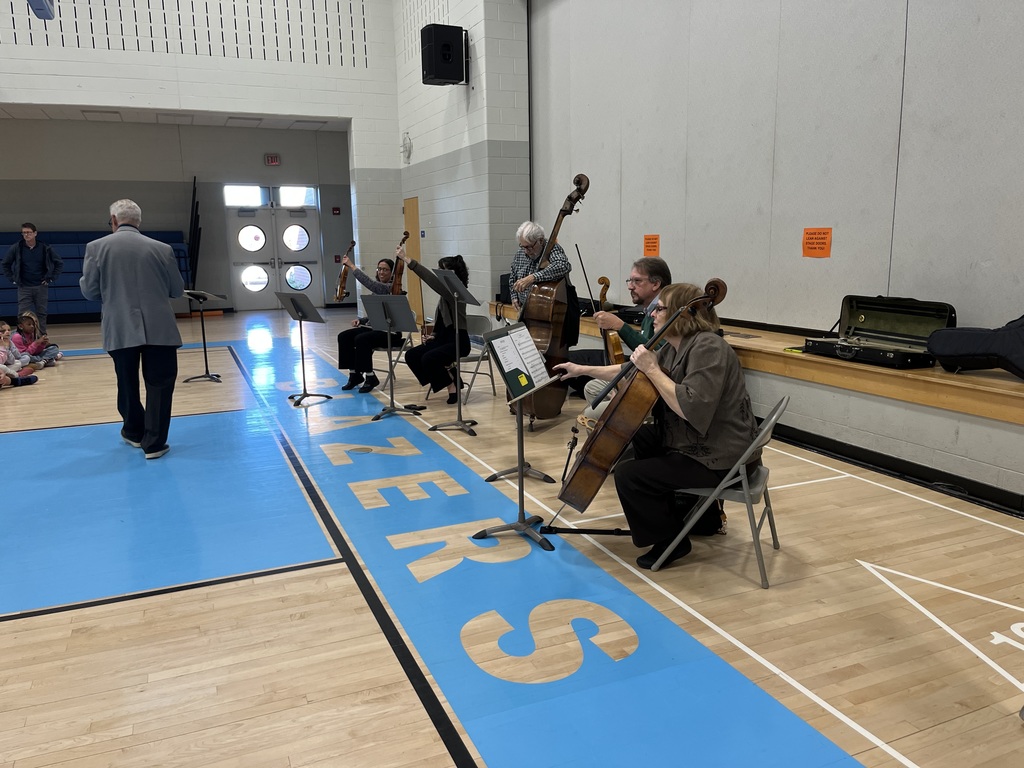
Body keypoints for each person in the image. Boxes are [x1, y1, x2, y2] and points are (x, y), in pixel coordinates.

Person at [554, 282, 760, 570]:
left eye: (659, 309)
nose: (651, 314)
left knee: (630, 475)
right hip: (700, 443)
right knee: (637, 439)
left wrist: (651, 368)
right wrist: (582, 370)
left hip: (723, 458)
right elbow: (631, 368)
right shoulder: (677, 346)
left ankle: (671, 540)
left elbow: (690, 409)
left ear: (683, 314)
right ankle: (695, 514)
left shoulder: (709, 347)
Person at [80, 199, 185, 460]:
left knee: (126, 382)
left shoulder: (96, 248)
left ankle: (133, 431)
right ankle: (155, 443)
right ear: (139, 221)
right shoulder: (162, 249)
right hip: (160, 328)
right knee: (160, 384)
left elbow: (91, 292)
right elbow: (176, 290)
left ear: (114, 220)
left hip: (120, 326)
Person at [578, 257, 672, 423]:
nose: (630, 286)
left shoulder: (666, 312)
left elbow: (659, 352)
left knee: (590, 414)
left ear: (656, 284)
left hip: (654, 384)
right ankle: (621, 430)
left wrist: (621, 326)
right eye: (630, 280)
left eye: (636, 281)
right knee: (592, 388)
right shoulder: (648, 311)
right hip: (640, 376)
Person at [394, 247, 470, 404]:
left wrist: (408, 260)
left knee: (429, 358)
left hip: (458, 341)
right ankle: (450, 376)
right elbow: (442, 322)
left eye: (444, 271)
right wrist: (434, 335)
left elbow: (432, 281)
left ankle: (450, 383)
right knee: (412, 355)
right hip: (443, 339)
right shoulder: (444, 297)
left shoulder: (458, 293)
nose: (440, 275)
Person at [336, 254, 405, 393]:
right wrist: (361, 321)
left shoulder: (390, 288)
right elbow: (376, 314)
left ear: (392, 273)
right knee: (344, 336)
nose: (381, 272)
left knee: (362, 339)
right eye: (379, 269)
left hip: (390, 332)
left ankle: (370, 376)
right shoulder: (378, 290)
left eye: (385, 269)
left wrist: (351, 265)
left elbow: (369, 283)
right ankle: (354, 374)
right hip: (375, 328)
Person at [509, 220, 580, 347]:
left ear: (541, 241)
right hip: (528, 313)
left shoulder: (552, 248)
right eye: (522, 246)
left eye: (529, 246)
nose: (526, 251)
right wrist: (514, 296)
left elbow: (562, 266)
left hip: (552, 314)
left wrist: (533, 277)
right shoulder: (520, 254)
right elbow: (513, 276)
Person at [1, 223, 63, 333]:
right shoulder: (17, 248)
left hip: (41, 286)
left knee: (41, 313)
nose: (26, 235)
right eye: (24, 232)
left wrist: (51, 278)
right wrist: (12, 278)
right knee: (22, 314)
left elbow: (59, 263)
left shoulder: (45, 248)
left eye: (29, 232)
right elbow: (5, 263)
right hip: (24, 286)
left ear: (35, 233)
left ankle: (42, 336)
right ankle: (22, 337)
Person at [0, 321, 40, 386]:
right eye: (3, 331)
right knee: (3, 367)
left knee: (19, 361)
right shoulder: (16, 337)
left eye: (9, 330)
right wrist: (4, 347)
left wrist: (8, 347)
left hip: (8, 364)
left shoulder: (9, 341)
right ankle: (18, 375)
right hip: (3, 365)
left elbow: (16, 357)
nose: (7, 332)